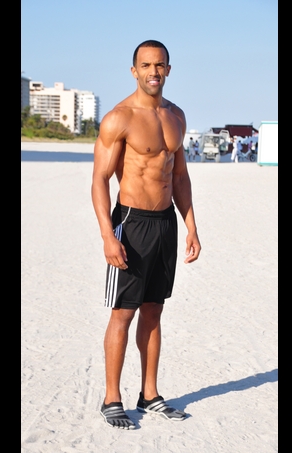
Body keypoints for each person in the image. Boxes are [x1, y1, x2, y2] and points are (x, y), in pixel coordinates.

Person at [91, 39, 201, 430]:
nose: (153, 72)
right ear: (134, 70)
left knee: (154, 309)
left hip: (165, 224)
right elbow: (100, 180)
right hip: (131, 223)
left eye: (160, 65)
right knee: (123, 312)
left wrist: (191, 226)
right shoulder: (118, 118)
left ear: (168, 69)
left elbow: (180, 176)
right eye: (146, 65)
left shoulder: (176, 116)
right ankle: (112, 398)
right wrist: (108, 235)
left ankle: (149, 394)